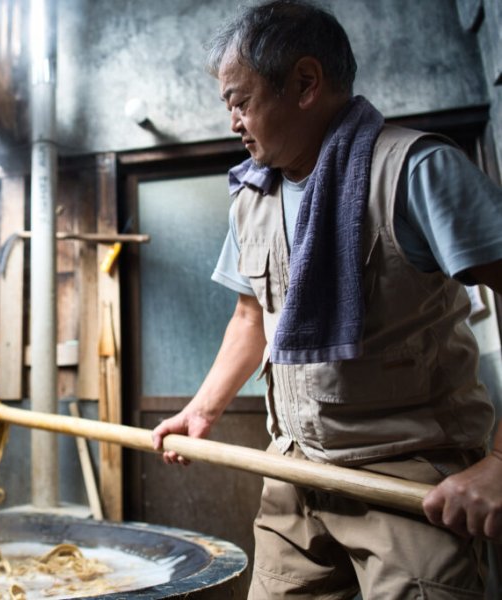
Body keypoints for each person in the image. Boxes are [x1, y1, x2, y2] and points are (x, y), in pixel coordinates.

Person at [151, 1, 502, 597]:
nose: (232, 120)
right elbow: (250, 317)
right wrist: (203, 409)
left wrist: (499, 466)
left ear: (306, 83)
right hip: (293, 474)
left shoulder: (414, 170)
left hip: (410, 483)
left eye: (240, 100)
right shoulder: (250, 196)